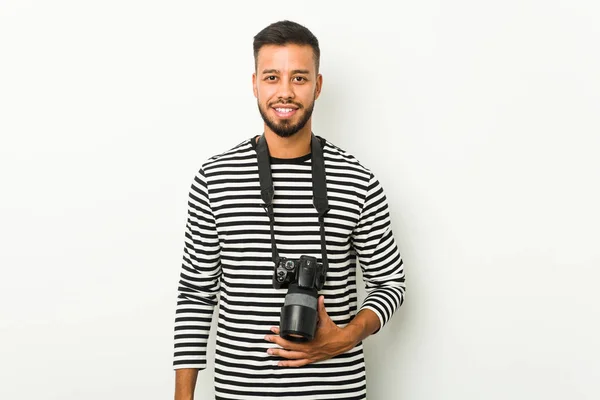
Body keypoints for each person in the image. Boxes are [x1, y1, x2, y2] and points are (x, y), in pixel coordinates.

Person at [173, 20, 406, 400]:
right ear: (254, 84)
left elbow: (390, 283)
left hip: (336, 392)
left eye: (299, 78)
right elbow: (195, 296)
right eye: (272, 77)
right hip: (242, 393)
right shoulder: (214, 179)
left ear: (317, 85)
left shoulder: (357, 180)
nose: (285, 92)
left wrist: (344, 337)